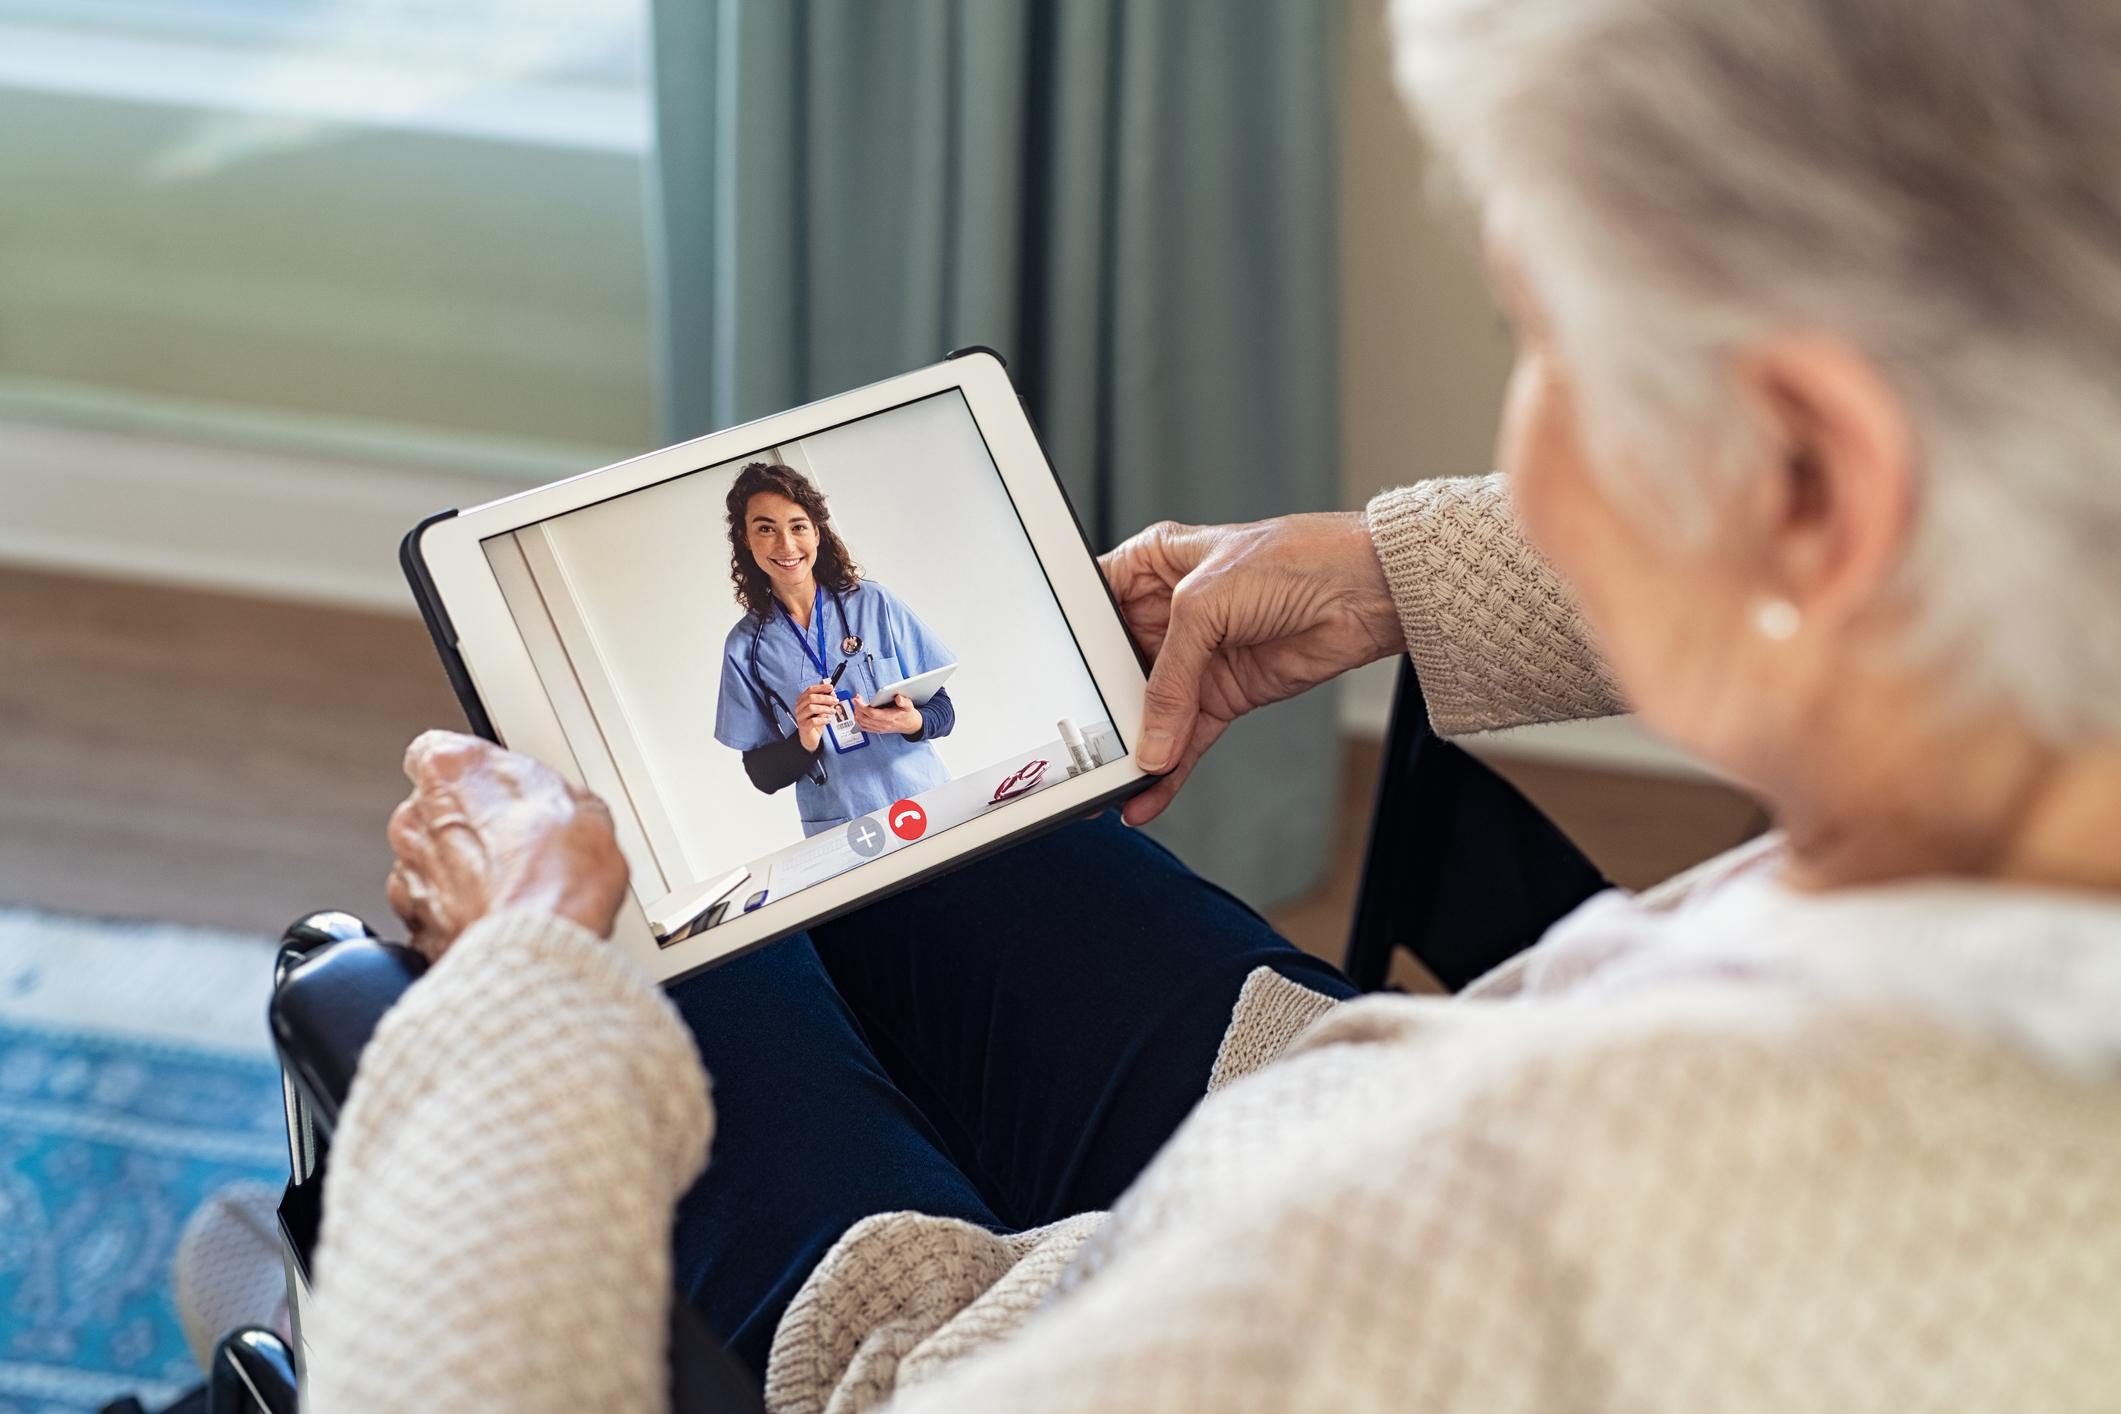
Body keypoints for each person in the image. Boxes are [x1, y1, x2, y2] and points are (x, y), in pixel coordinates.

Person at [303, 0, 2121, 1409]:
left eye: (1544, 341)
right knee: (916, 845)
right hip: (1346, 1101)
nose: (1530, 438)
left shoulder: (1541, 1220)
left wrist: (524, 994)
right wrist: (1398, 574)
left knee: (630, 941)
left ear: (1808, 478)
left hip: (1001, 1335)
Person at [713, 461, 957, 835]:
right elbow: (761, 775)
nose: (786, 545)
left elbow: (943, 709)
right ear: (746, 539)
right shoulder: (746, 647)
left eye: (798, 526)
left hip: (923, 799)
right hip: (844, 827)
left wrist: (912, 721)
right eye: (766, 529)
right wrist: (804, 740)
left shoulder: (875, 604)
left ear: (816, 533)